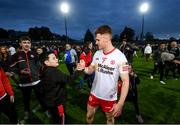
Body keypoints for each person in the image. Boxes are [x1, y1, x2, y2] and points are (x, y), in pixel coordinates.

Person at [77, 25, 129, 124]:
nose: (95, 42)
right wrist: (83, 68)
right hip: (94, 93)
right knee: (89, 116)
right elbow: (90, 70)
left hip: (109, 98)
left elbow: (126, 81)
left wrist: (121, 103)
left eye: (98, 40)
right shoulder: (97, 54)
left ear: (106, 38)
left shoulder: (121, 57)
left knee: (109, 120)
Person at [10, 36, 47, 121]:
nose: (27, 44)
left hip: (36, 81)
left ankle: (45, 110)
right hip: (24, 82)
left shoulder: (34, 54)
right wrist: (20, 71)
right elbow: (11, 68)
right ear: (20, 44)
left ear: (31, 44)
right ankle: (27, 112)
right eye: (24, 42)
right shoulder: (16, 55)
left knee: (41, 97)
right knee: (26, 99)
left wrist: (43, 71)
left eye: (28, 43)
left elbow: (38, 66)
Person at [40, 51, 79, 124]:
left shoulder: (44, 69)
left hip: (50, 102)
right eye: (54, 58)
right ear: (46, 62)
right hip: (57, 103)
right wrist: (79, 70)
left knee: (55, 119)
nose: (57, 59)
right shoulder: (53, 72)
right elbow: (69, 79)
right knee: (61, 120)